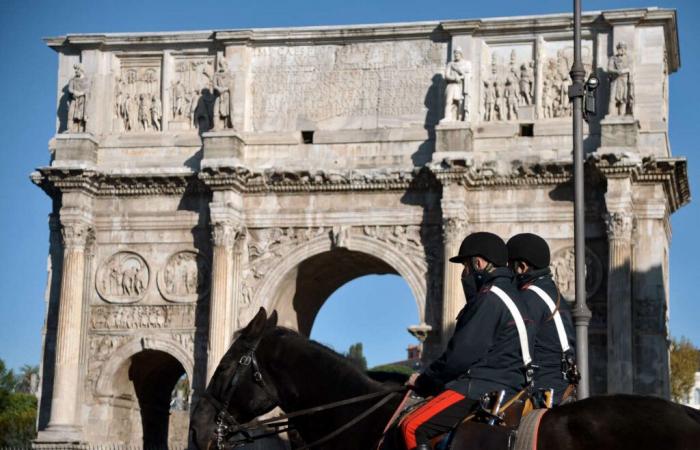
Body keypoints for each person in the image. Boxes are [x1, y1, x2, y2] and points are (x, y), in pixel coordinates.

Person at [400, 232, 534, 450]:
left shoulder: (490, 297)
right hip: (508, 383)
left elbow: (459, 356)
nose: (464, 274)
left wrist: (424, 381)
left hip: (481, 385)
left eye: (465, 266)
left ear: (478, 263)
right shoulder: (511, 294)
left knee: (411, 426)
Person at [506, 233, 578, 405]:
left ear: (521, 267)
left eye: (509, 267)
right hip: (562, 385)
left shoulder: (529, 297)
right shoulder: (551, 292)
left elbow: (510, 345)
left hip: (543, 388)